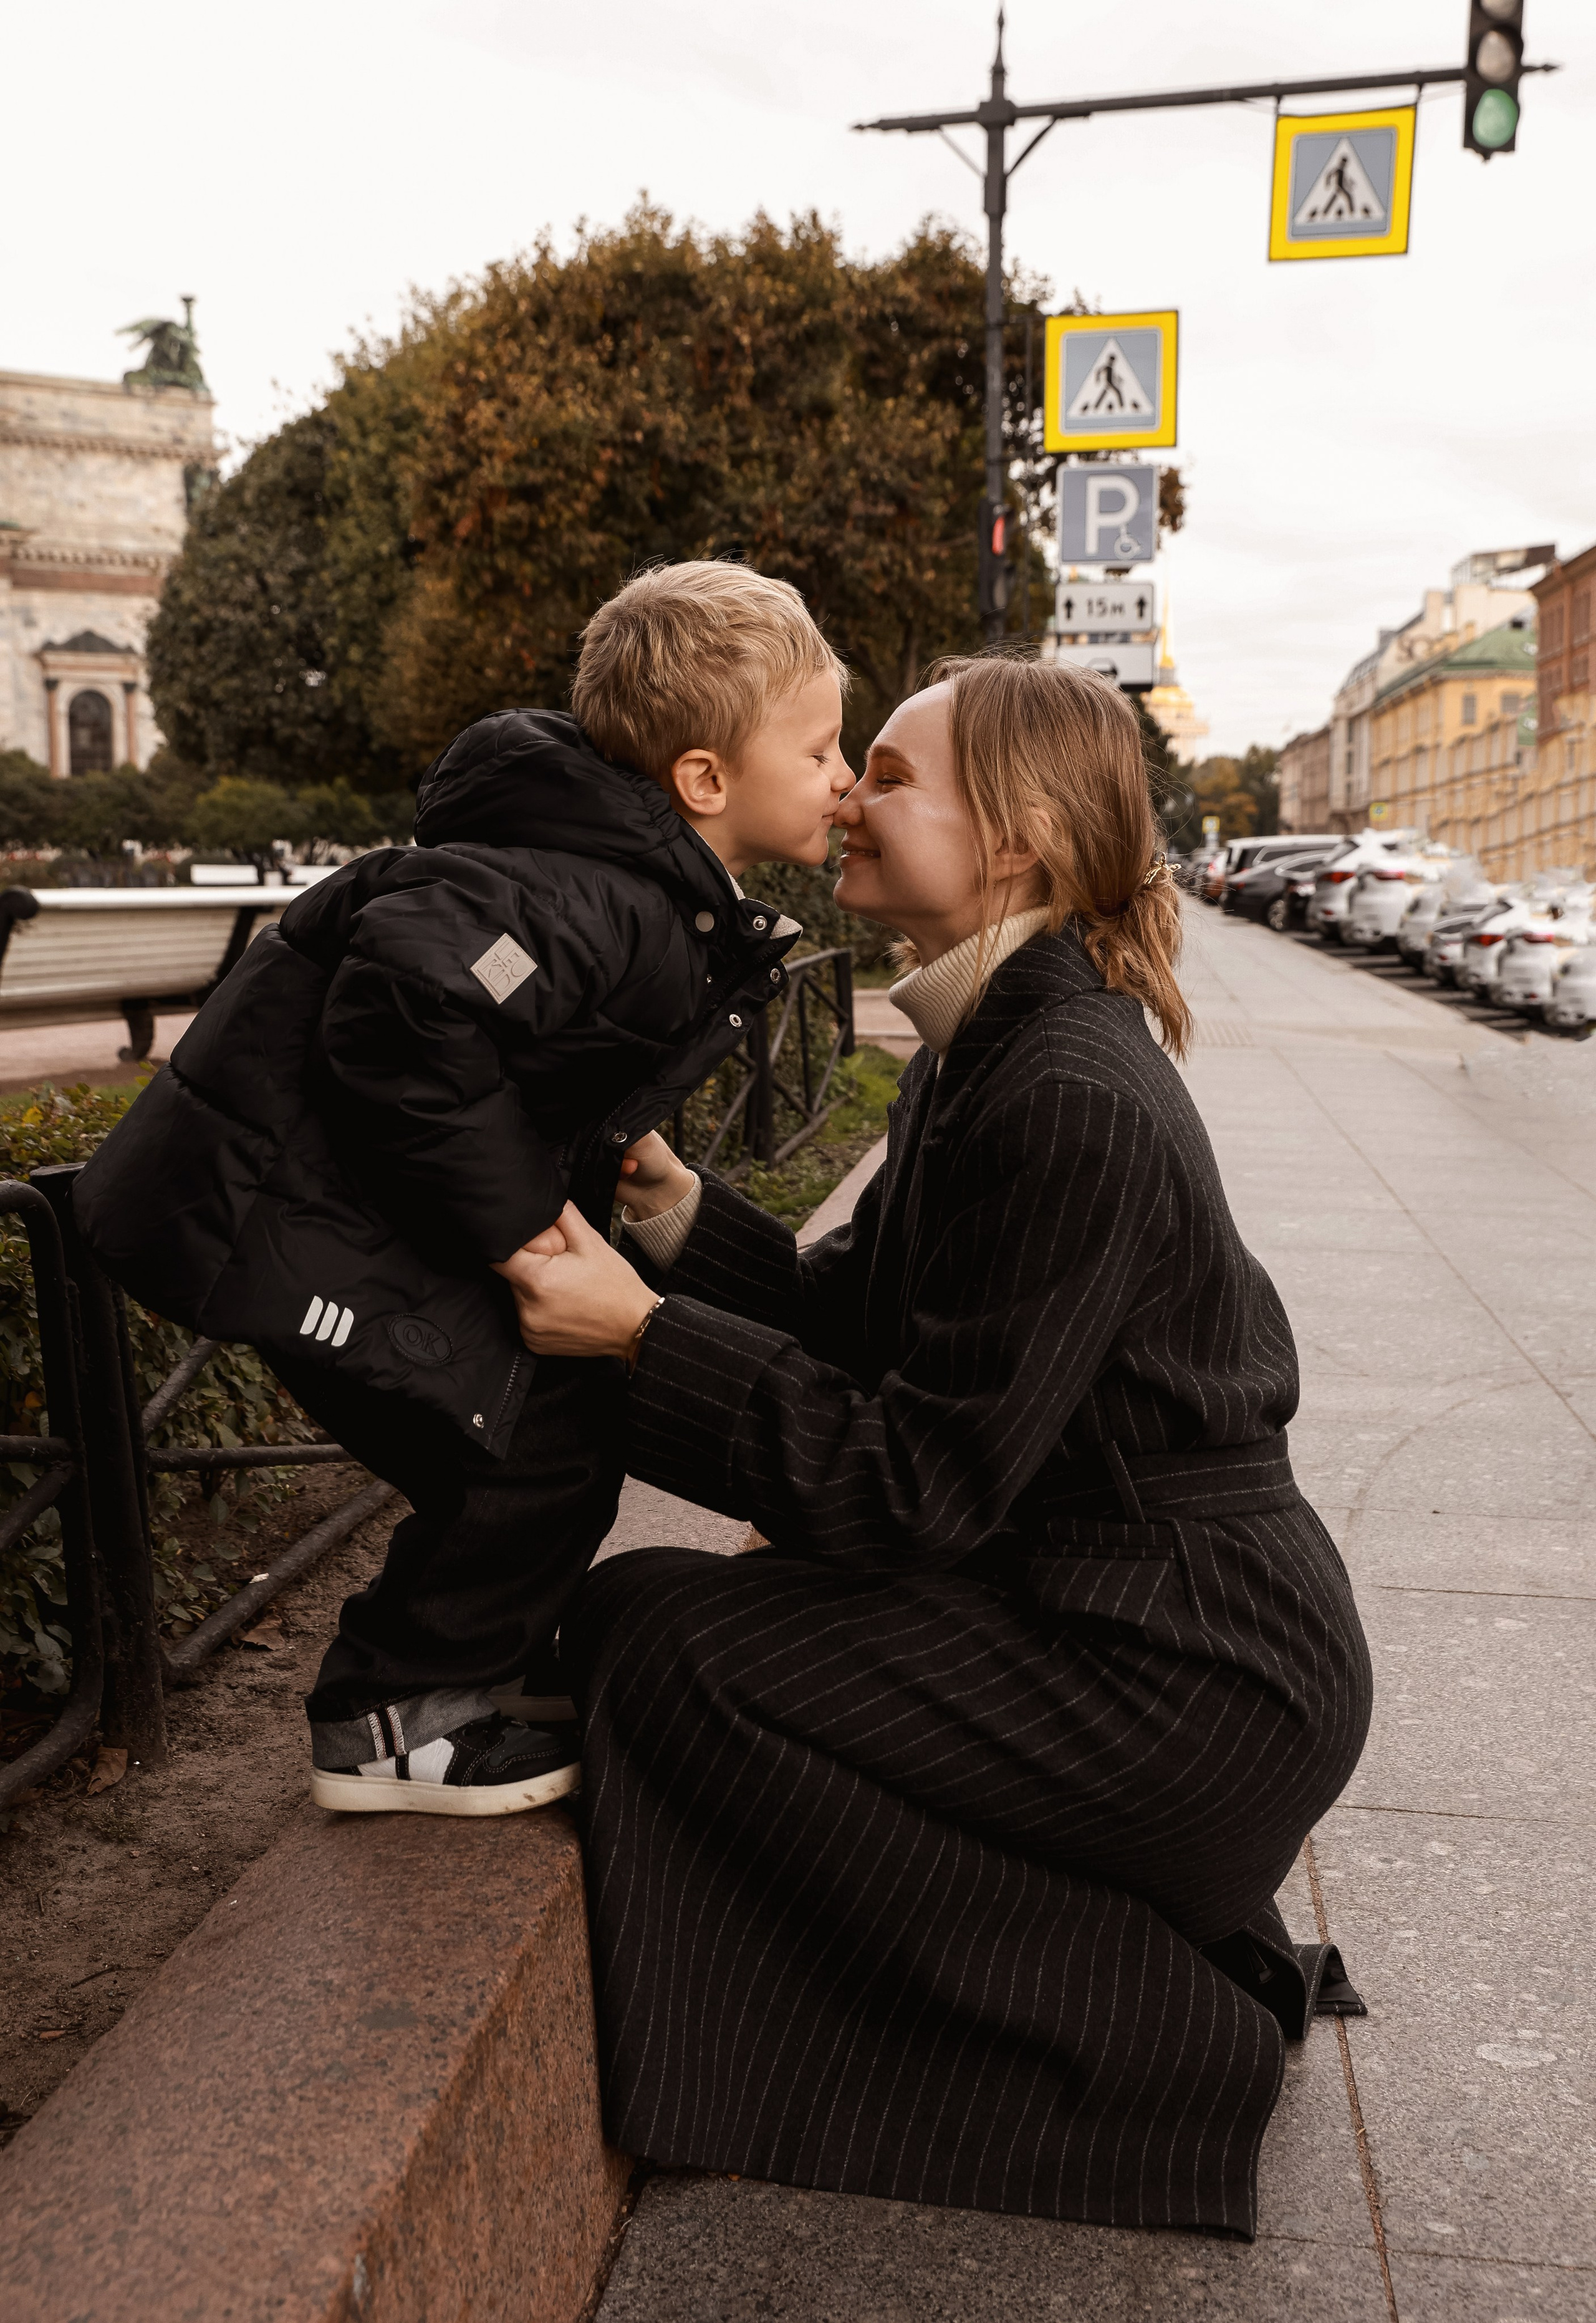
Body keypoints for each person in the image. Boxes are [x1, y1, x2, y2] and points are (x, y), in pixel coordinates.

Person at [496, 653, 1374, 2239]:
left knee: (667, 1645)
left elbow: (914, 1487)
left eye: (889, 775)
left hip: (1188, 1686)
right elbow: (863, 1321)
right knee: (644, 1623)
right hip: (1129, 1621)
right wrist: (674, 1213)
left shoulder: (1063, 1087)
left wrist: (638, 1340)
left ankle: (1141, 2047)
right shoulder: (997, 1042)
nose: (844, 794)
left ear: (1017, 838)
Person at [75, 562, 855, 1816]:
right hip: (293, 1218)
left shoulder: (629, 885)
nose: (842, 776)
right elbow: (408, 1003)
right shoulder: (609, 896)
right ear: (706, 780)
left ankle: (474, 1670)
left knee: (554, 1430)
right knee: (532, 1446)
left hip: (343, 1214)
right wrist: (520, 1233)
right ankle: (396, 1713)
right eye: (819, 751)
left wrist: (601, 1149)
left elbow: (504, 1041)